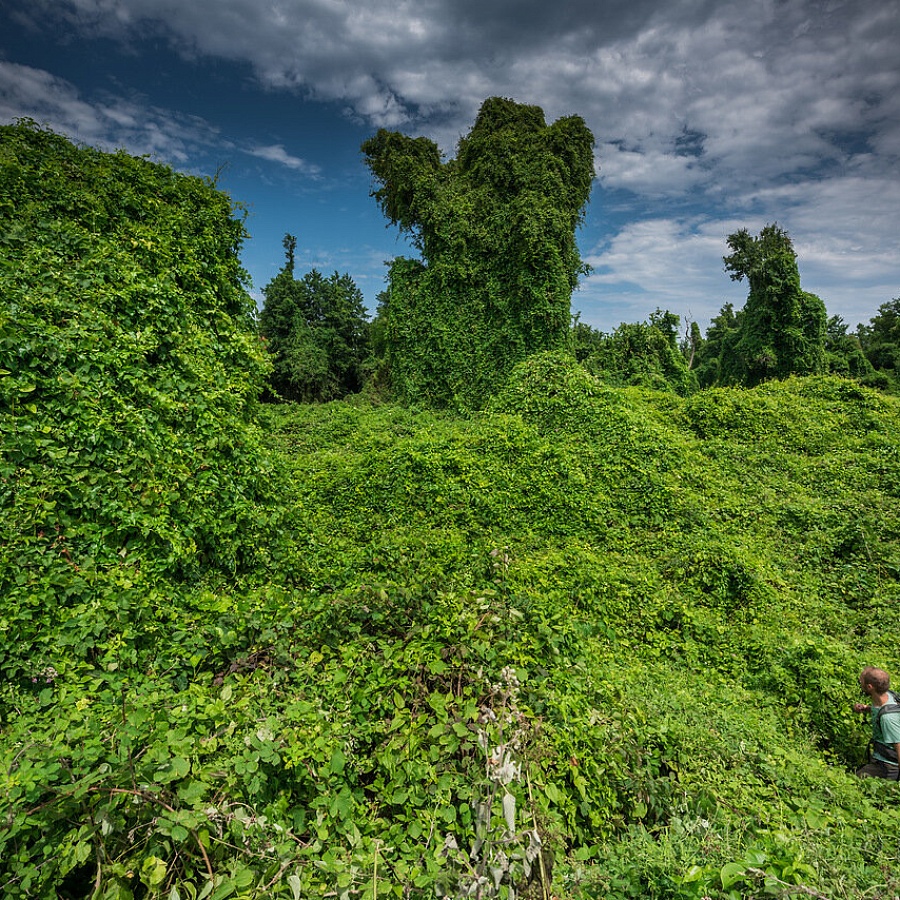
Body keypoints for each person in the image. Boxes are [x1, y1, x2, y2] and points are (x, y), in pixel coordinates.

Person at [853, 666, 900, 780]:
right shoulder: (887, 696)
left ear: (870, 687)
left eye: (862, 682)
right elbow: (880, 710)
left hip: (889, 765)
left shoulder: (888, 718)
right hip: (880, 756)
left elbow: (899, 746)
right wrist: (866, 708)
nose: (860, 684)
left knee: (854, 780)